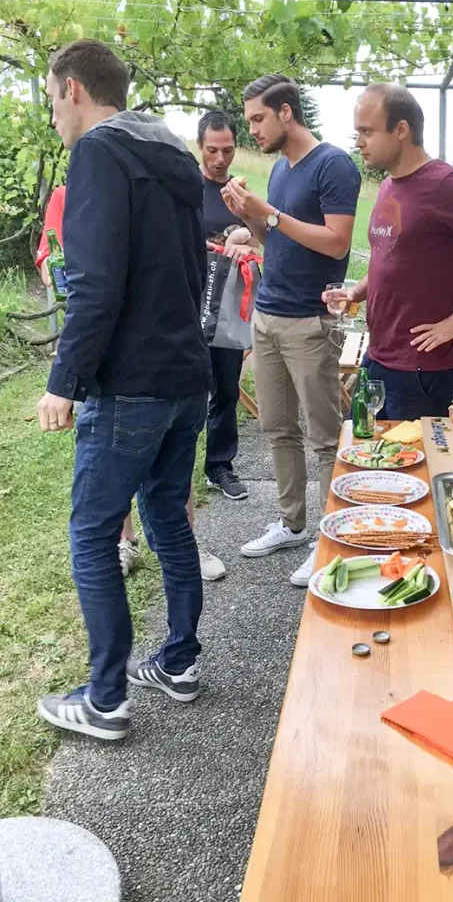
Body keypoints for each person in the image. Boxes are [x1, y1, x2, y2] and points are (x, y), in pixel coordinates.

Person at [36, 38, 211, 741]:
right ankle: (179, 662)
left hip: (131, 387)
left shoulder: (101, 153)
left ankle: (105, 699)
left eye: (52, 101)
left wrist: (63, 381)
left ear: (75, 89)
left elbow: (96, 284)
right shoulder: (171, 154)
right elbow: (196, 273)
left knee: (91, 534)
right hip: (184, 379)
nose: (53, 117)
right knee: (167, 521)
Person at [36, 183, 225, 583]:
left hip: (150, 354)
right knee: (111, 461)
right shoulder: (66, 195)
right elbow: (49, 262)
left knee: (171, 457)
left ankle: (183, 540)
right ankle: (126, 543)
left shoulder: (145, 189)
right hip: (95, 352)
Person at [222, 74, 361, 587]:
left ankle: (333, 538)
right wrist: (251, 218)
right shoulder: (280, 169)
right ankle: (292, 522)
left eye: (258, 118)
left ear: (286, 113)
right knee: (276, 428)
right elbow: (275, 240)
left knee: (324, 438)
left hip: (309, 321)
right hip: (268, 314)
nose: (252, 129)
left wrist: (270, 214)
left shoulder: (333, 165)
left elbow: (337, 244)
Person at [325, 83, 453, 418]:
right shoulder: (389, 185)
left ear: (401, 129)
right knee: (366, 456)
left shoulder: (448, 185)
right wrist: (357, 291)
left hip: (421, 369)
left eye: (367, 131)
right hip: (379, 354)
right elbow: (389, 257)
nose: (358, 141)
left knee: (409, 466)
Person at [197, 110, 250, 507]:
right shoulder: (184, 188)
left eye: (227, 150)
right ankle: (176, 466)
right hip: (185, 306)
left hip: (227, 310)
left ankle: (220, 467)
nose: (220, 158)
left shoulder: (239, 194)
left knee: (227, 390)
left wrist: (245, 230)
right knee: (185, 391)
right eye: (212, 150)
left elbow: (263, 239)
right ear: (200, 147)